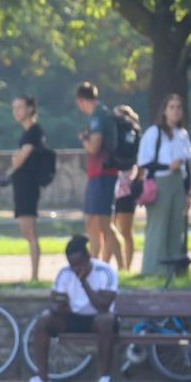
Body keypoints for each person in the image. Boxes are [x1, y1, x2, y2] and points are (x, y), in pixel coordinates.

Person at [17, 234, 119, 382]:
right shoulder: (65, 273)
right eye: (72, 265)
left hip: (97, 319)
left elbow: (103, 306)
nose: (76, 269)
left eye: (79, 264)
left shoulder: (105, 271)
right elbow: (55, 298)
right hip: (73, 317)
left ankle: (104, 380)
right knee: (44, 320)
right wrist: (59, 306)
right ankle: (42, 379)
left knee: (106, 320)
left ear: (88, 257)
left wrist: (84, 282)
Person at [138, 93, 191, 276]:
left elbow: (187, 165)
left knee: (176, 227)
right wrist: (168, 165)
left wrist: (188, 192)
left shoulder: (182, 134)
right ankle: (153, 269)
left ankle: (173, 269)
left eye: (178, 107)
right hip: (160, 181)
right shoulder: (154, 133)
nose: (175, 111)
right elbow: (144, 162)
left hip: (178, 182)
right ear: (164, 110)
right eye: (172, 107)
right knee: (158, 227)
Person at [75, 81, 124, 270]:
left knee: (101, 223)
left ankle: (117, 266)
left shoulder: (98, 117)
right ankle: (101, 263)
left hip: (102, 174)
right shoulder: (104, 114)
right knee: (96, 223)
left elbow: (94, 147)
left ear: (81, 100)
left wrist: (84, 139)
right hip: (103, 174)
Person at [2, 95, 46, 281]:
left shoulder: (33, 131)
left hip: (28, 187)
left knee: (30, 231)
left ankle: (34, 276)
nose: (17, 111)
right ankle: (33, 274)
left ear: (30, 109)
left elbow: (21, 158)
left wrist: (13, 163)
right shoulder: (27, 133)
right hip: (22, 186)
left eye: (20, 107)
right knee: (26, 231)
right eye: (14, 108)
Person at [111, 106, 142, 270]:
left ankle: (126, 267)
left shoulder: (135, 136)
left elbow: (139, 163)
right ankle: (110, 263)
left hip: (127, 187)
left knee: (126, 231)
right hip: (113, 185)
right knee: (110, 228)